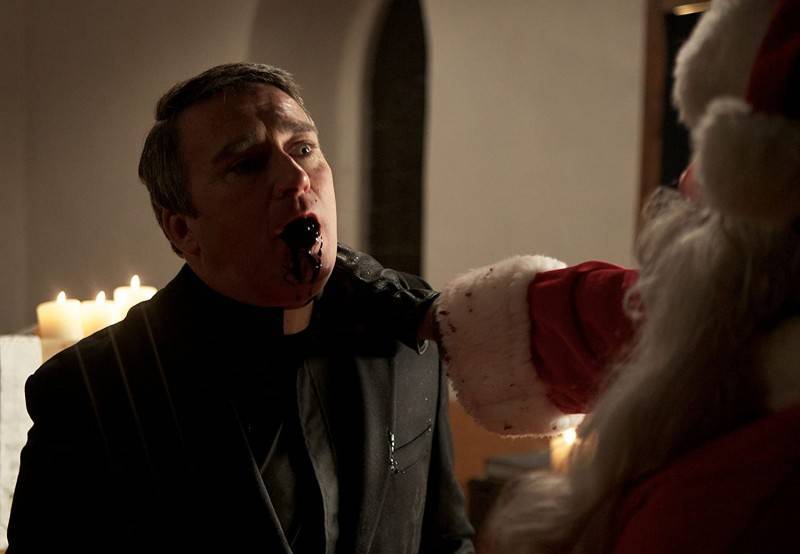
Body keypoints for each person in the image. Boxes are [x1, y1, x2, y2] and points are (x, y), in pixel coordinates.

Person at [346, 0, 800, 551]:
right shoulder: (738, 312)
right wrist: (434, 314)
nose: (685, 182)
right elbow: (618, 317)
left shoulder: (742, 500)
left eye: (710, 158)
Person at [7, 63, 474, 553]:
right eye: (247, 164)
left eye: (303, 149)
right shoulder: (89, 396)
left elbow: (446, 539)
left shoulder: (406, 332)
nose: (296, 179)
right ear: (182, 229)